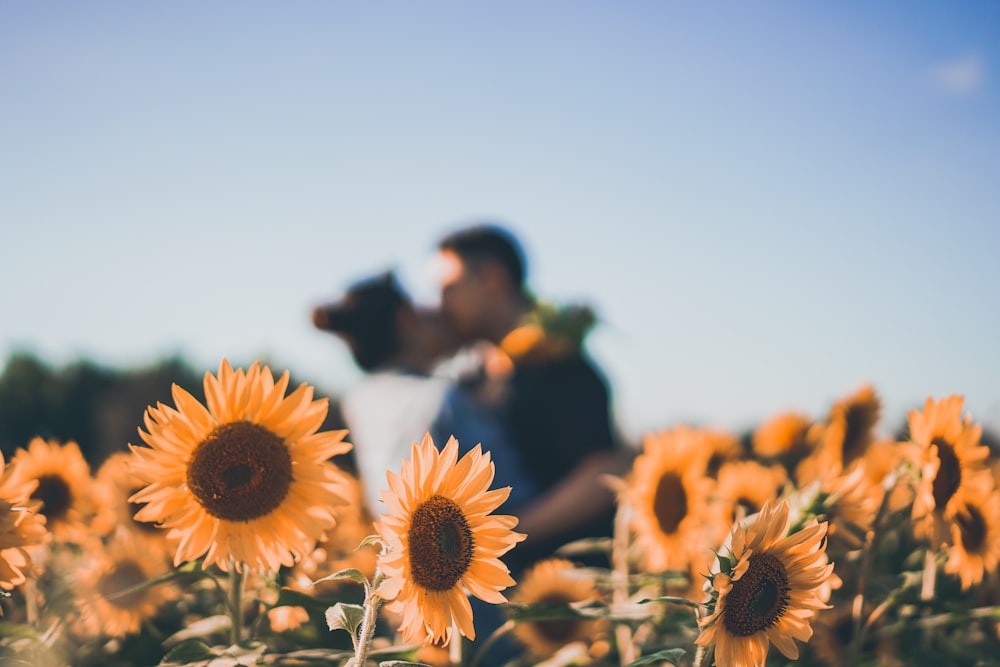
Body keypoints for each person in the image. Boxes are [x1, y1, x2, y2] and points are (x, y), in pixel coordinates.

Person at [435, 223, 630, 573]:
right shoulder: (475, 373)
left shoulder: (561, 366)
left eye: (450, 289)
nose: (440, 304)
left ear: (492, 280)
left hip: (575, 593)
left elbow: (603, 473)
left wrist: (506, 532)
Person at [311, 270, 537, 517]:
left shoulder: (358, 401)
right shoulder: (445, 399)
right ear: (406, 319)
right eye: (422, 308)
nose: (438, 313)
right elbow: (512, 497)